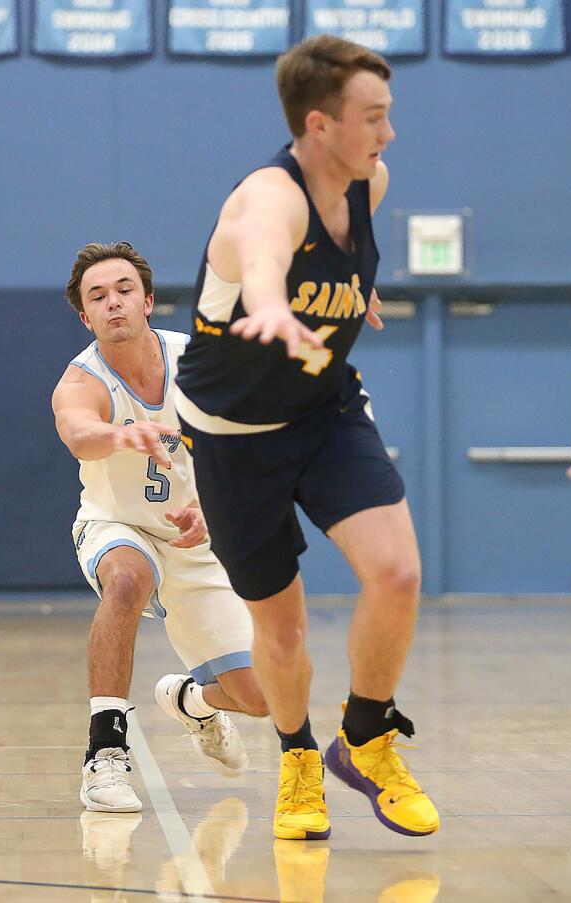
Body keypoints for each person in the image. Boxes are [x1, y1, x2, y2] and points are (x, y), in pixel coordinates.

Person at [171, 35, 437, 840]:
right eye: (374, 118)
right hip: (232, 441)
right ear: (320, 125)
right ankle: (297, 758)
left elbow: (334, 256)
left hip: (324, 412)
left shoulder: (369, 183)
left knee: (395, 570)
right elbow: (263, 247)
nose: (387, 134)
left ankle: (364, 737)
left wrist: (354, 291)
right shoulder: (267, 196)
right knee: (281, 628)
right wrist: (273, 302)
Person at [52, 241, 270, 813]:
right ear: (86, 316)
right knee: (126, 581)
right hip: (117, 524)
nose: (113, 303)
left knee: (262, 696)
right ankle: (105, 754)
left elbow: (247, 441)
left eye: (124, 290)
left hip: (196, 540)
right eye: (98, 296)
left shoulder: (198, 361)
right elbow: (77, 431)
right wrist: (120, 435)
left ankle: (193, 702)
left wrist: (219, 504)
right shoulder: (82, 380)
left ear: (148, 302)